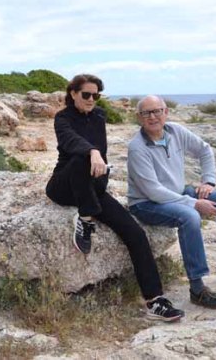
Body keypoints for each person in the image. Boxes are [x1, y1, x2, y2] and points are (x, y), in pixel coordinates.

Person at [46, 75, 184, 322]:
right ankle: (85, 218)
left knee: (135, 233)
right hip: (63, 186)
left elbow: (101, 161)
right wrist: (92, 151)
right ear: (73, 93)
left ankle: (155, 301)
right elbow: (70, 142)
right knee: (80, 158)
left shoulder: (99, 117)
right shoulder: (63, 118)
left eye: (96, 95)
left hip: (90, 188)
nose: (91, 99)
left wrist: (99, 174)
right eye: (86, 94)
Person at [127, 95, 216, 309]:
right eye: (146, 113)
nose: (152, 117)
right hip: (146, 203)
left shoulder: (176, 131)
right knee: (190, 217)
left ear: (166, 112)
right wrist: (193, 203)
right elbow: (153, 191)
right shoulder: (137, 147)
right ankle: (197, 289)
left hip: (177, 193)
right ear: (139, 117)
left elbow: (205, 150)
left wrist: (208, 181)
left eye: (157, 111)